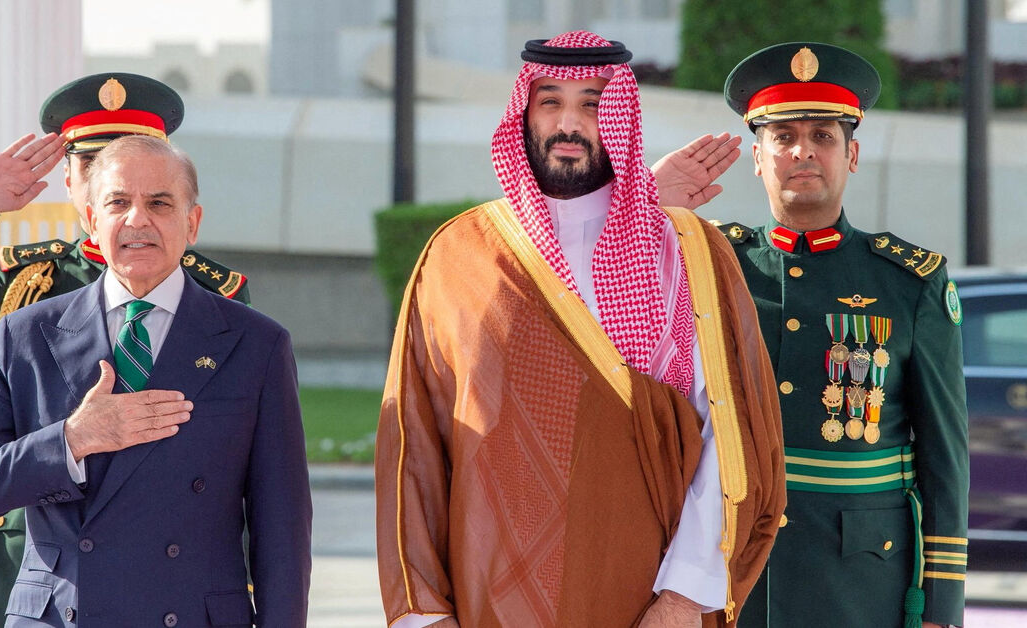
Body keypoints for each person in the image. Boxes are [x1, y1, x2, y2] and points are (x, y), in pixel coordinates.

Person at [375, 31, 786, 627]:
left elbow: (729, 434)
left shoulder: (685, 251)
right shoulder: (457, 256)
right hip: (488, 599)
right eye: (550, 101)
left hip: (643, 597)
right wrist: (425, 614)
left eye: (592, 104)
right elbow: (413, 443)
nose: (568, 123)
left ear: (619, 117)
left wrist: (682, 599)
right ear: (524, 114)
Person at [0, 72, 251, 628]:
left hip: (162, 574)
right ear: (69, 180)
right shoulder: (23, 284)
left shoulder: (213, 295)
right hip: (23, 572)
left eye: (131, 158)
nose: (114, 173)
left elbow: (235, 462)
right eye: (93, 163)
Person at [0, 135, 311, 627]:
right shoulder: (26, 334)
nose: (137, 219)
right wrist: (72, 440)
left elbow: (282, 528)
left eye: (160, 203)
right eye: (118, 202)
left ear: (192, 222)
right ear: (92, 220)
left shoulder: (255, 344)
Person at [717, 42, 968, 628]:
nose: (802, 150)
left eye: (823, 136)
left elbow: (944, 456)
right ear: (757, 158)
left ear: (851, 155)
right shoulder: (714, 266)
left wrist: (941, 604)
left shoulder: (910, 283)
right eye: (783, 137)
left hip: (860, 584)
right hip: (731, 576)